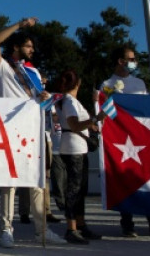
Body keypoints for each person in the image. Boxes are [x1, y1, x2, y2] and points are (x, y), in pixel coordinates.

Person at [0, 18, 65, 247]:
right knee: (9, 181)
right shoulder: (2, 67)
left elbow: (38, 100)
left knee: (38, 182)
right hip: (10, 130)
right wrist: (19, 26)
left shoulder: (34, 72)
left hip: (33, 130)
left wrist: (44, 98)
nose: (32, 50)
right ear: (16, 47)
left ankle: (42, 230)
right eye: (28, 46)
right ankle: (6, 229)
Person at [100, 46, 150, 237]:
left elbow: (147, 109)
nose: (134, 62)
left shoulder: (140, 83)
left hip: (142, 138)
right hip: (122, 140)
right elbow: (104, 111)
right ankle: (127, 224)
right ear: (120, 61)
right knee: (124, 180)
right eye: (131, 59)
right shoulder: (107, 84)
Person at [49, 70, 104, 244]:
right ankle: (72, 228)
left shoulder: (64, 101)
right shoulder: (70, 102)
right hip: (74, 148)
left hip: (73, 146)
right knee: (74, 190)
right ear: (77, 84)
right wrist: (94, 120)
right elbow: (74, 125)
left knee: (79, 189)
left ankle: (79, 225)